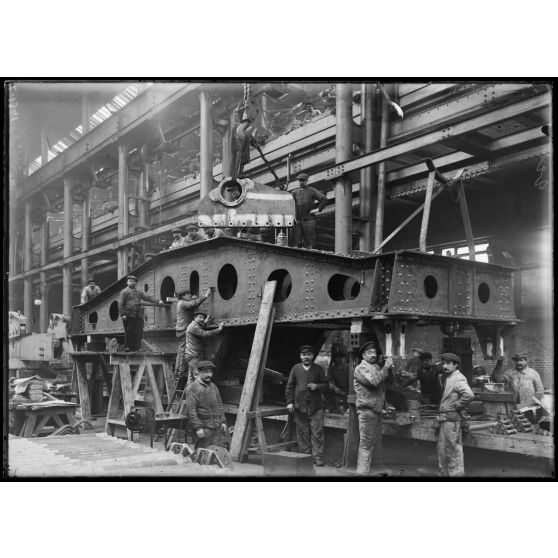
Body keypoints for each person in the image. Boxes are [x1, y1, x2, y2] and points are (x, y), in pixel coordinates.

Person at [353, 342, 393, 475]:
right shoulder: (361, 369)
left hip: (375, 411)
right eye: (369, 353)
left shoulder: (375, 366)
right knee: (366, 444)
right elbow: (375, 382)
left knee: (371, 444)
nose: (373, 355)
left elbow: (382, 387)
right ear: (363, 355)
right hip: (367, 411)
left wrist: (384, 406)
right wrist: (386, 367)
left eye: (374, 352)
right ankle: (362, 474)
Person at [285, 345, 328, 466]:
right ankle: (305, 457)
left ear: (313, 356)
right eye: (304, 355)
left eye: (309, 354)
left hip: (316, 408)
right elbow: (289, 387)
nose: (306, 357)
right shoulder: (296, 369)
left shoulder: (318, 369)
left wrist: (318, 386)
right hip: (300, 407)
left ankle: (318, 457)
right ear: (300, 356)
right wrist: (289, 402)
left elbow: (326, 385)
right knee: (303, 433)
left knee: (317, 433)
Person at [437, 352, 474, 477]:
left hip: (452, 420)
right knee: (442, 450)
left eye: (448, 363)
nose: (445, 366)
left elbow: (469, 395)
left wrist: (457, 406)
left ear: (455, 365)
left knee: (452, 450)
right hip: (444, 418)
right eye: (443, 363)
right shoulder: (447, 377)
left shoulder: (458, 378)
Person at [175, 287, 213, 391]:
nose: (189, 296)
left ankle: (180, 371)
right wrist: (205, 296)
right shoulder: (183, 303)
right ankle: (180, 371)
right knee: (183, 351)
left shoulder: (181, 303)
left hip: (181, 329)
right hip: (183, 329)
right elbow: (193, 304)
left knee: (181, 351)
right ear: (183, 296)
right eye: (188, 294)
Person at [185, 361, 228, 449]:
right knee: (202, 455)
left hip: (216, 427)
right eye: (206, 372)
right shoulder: (193, 388)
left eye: (210, 372)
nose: (209, 375)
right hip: (204, 429)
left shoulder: (213, 386)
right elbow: (191, 411)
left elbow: (219, 405)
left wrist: (223, 421)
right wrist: (198, 428)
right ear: (199, 372)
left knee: (215, 454)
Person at [118, 275, 166, 351]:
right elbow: (120, 303)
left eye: (134, 281)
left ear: (136, 283)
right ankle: (127, 347)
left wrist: (158, 301)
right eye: (130, 281)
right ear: (127, 282)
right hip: (129, 315)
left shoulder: (139, 292)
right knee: (129, 331)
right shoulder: (124, 292)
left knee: (139, 331)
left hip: (138, 315)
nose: (132, 283)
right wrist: (122, 314)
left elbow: (148, 298)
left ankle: (137, 347)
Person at [185, 311, 225, 385]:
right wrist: (219, 329)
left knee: (191, 378)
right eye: (200, 317)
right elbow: (206, 334)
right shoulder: (193, 327)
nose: (202, 319)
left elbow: (201, 327)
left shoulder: (195, 325)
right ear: (195, 318)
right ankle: (200, 395)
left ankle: (189, 394)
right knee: (198, 377)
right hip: (194, 355)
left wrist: (206, 322)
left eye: (203, 318)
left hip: (191, 354)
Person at [289, 173, 328, 249]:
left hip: (309, 220)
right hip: (297, 220)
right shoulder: (294, 192)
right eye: (300, 180)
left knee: (309, 243)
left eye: (303, 180)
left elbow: (324, 199)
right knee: (294, 242)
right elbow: (288, 203)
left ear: (307, 181)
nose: (301, 182)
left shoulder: (312, 191)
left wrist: (318, 209)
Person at [325, 345, 350, 412]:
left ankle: (346, 408)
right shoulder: (332, 368)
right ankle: (330, 408)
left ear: (344, 358)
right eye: (337, 358)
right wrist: (334, 387)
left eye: (342, 358)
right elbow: (329, 381)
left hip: (348, 390)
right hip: (337, 389)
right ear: (335, 359)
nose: (339, 360)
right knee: (326, 389)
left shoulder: (349, 368)